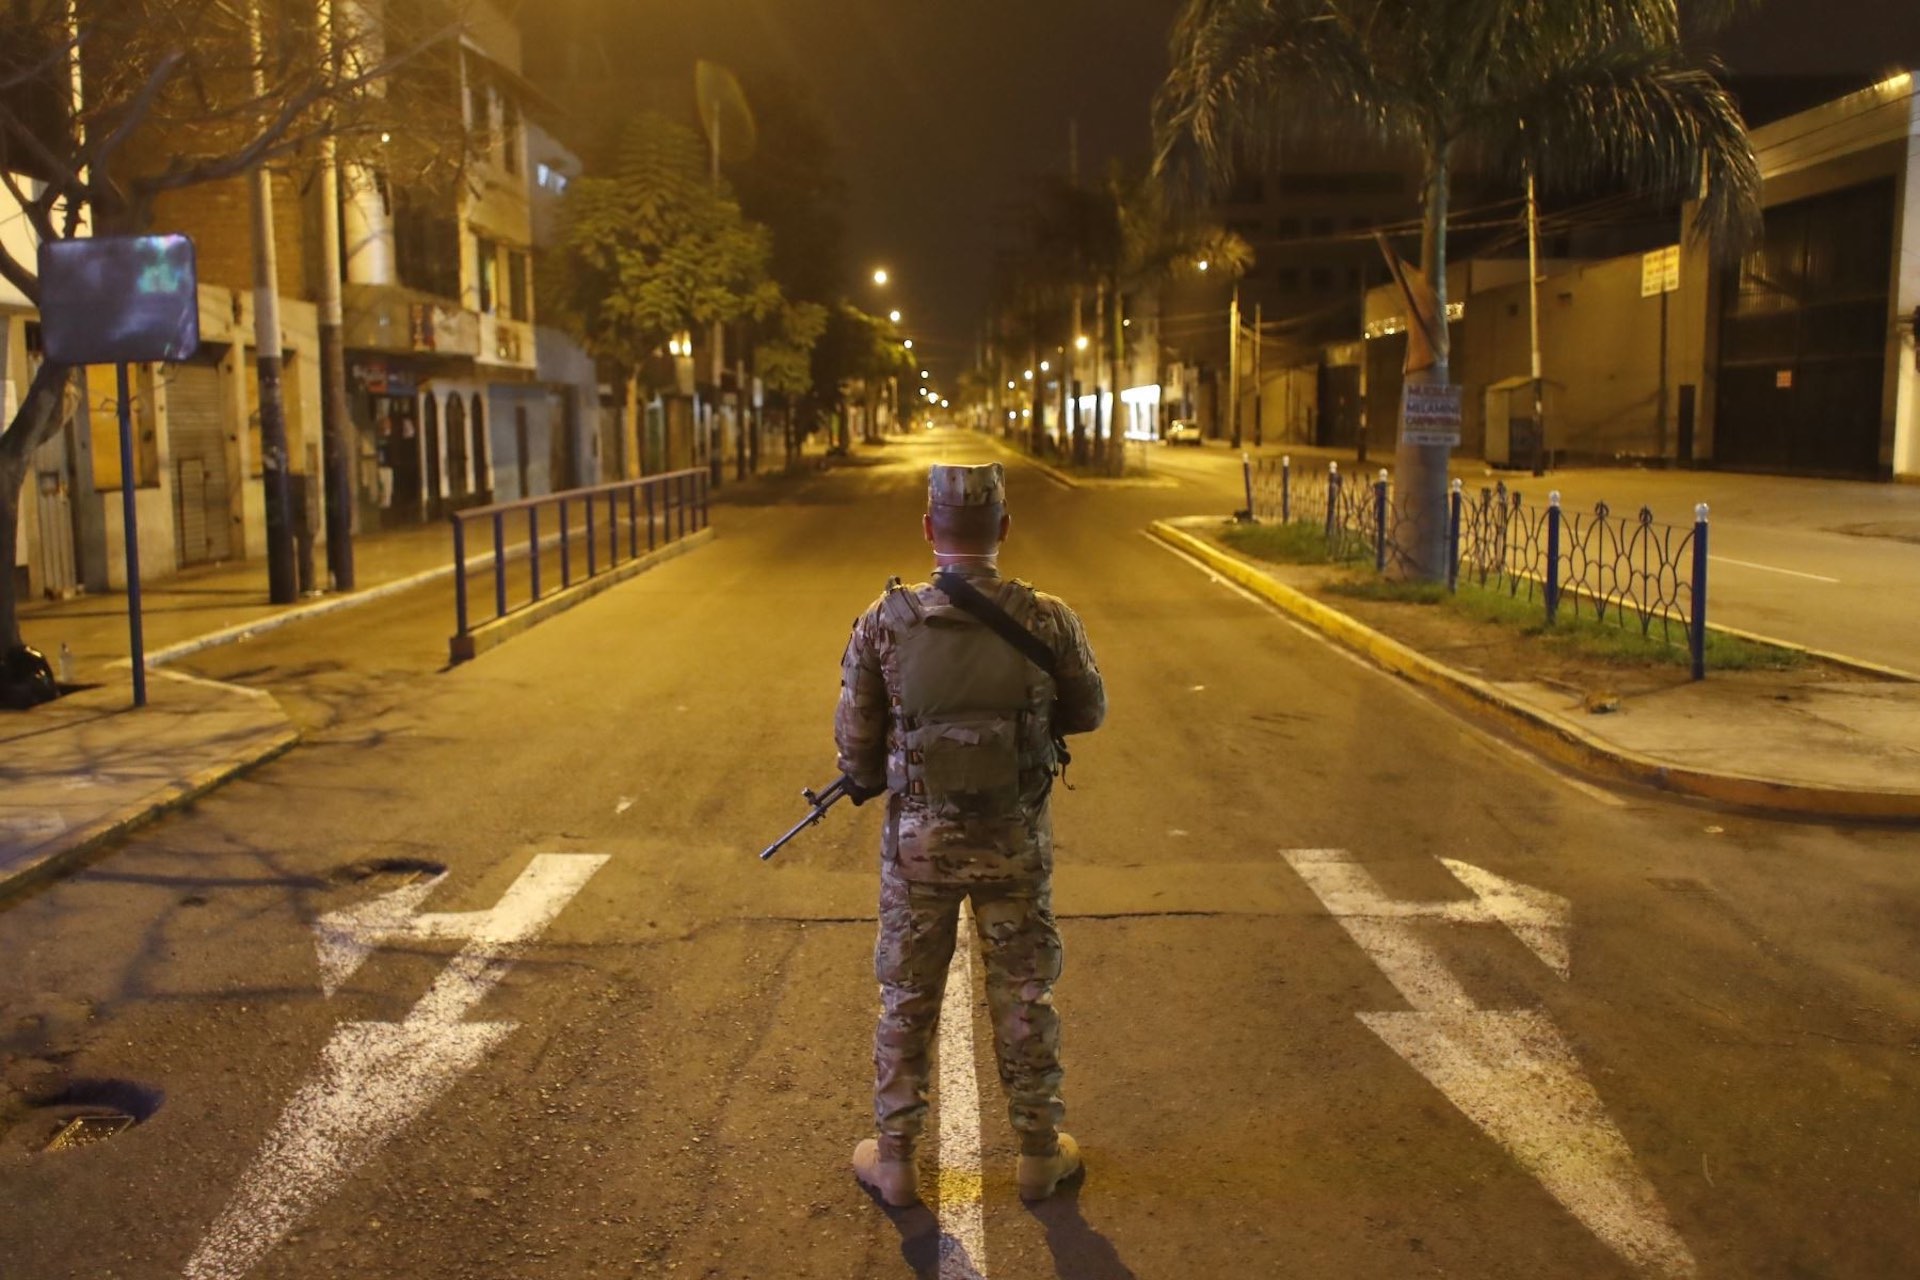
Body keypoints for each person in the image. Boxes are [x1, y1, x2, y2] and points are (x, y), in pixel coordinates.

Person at [834, 462, 1106, 1207]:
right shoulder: (1048, 619)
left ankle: (896, 1160)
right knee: (1024, 994)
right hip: (1013, 844)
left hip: (918, 852)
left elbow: (855, 746)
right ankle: (1038, 1154)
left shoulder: (884, 621)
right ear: (1003, 528)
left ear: (929, 528)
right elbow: (1089, 711)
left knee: (907, 997)